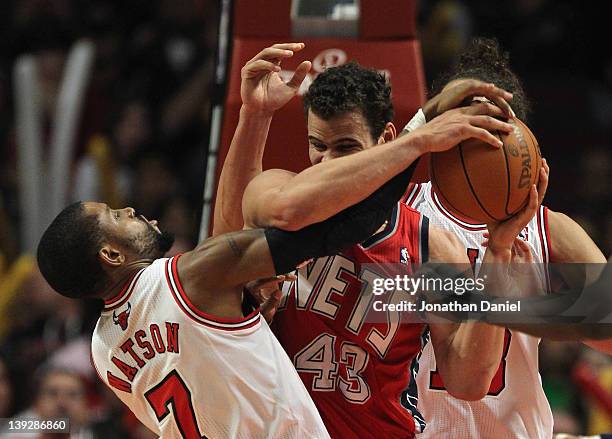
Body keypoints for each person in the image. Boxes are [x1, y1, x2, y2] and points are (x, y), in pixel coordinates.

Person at [212, 42, 546, 438]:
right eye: (318, 146)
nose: (328, 162)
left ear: (384, 139)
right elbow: (223, 256)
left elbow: (467, 381)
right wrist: (255, 114)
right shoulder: (280, 193)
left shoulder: (431, 247)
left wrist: (498, 251)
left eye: (347, 147)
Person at [36, 156, 443, 439]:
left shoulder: (102, 352)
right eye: (115, 215)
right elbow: (348, 224)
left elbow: (209, 373)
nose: (128, 209)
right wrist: (423, 133)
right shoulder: (187, 275)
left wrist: (244, 314)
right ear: (111, 255)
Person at [401, 37, 610, 438]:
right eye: (466, 122)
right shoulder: (398, 210)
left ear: (518, 139)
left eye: (493, 125)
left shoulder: (549, 230)